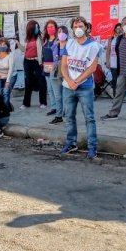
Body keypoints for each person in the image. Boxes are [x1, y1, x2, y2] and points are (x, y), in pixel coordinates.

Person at [60, 17, 101, 159]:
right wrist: (69, 81)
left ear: (86, 27)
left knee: (89, 118)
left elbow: (92, 67)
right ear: (72, 28)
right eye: (75, 25)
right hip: (68, 87)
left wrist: (76, 81)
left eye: (81, 25)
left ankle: (92, 146)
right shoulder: (69, 44)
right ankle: (71, 143)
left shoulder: (94, 46)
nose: (78, 28)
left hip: (85, 87)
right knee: (69, 117)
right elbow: (64, 65)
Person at [101, 16, 126, 122]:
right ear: (122, 26)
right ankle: (113, 113)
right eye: (125, 23)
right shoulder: (118, 38)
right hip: (122, 72)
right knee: (118, 93)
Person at [17, 20, 47, 109]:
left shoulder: (40, 37)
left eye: (38, 27)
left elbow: (43, 47)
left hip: (37, 61)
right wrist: (18, 44)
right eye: (36, 27)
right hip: (27, 61)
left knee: (41, 81)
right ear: (31, 28)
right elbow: (24, 50)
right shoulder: (27, 38)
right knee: (28, 82)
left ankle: (43, 102)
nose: (37, 28)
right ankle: (26, 103)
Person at [48, 25, 68, 124]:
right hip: (54, 71)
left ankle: (66, 113)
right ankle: (58, 115)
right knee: (58, 96)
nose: (60, 33)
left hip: (65, 72)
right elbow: (50, 57)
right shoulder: (55, 45)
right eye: (59, 31)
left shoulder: (70, 44)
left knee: (66, 95)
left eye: (62, 31)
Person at [42, 20, 59, 116]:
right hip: (47, 66)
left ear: (56, 28)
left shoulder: (58, 40)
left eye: (52, 26)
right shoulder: (45, 40)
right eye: (48, 27)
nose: (50, 28)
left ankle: (60, 108)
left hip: (55, 66)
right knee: (50, 89)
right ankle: (54, 107)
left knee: (56, 89)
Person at [104, 22, 122, 97]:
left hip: (122, 63)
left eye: (120, 28)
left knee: (121, 81)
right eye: (117, 28)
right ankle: (115, 96)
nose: (119, 29)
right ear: (115, 29)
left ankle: (122, 96)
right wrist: (107, 61)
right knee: (114, 80)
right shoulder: (111, 39)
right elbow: (108, 51)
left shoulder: (124, 38)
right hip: (113, 63)